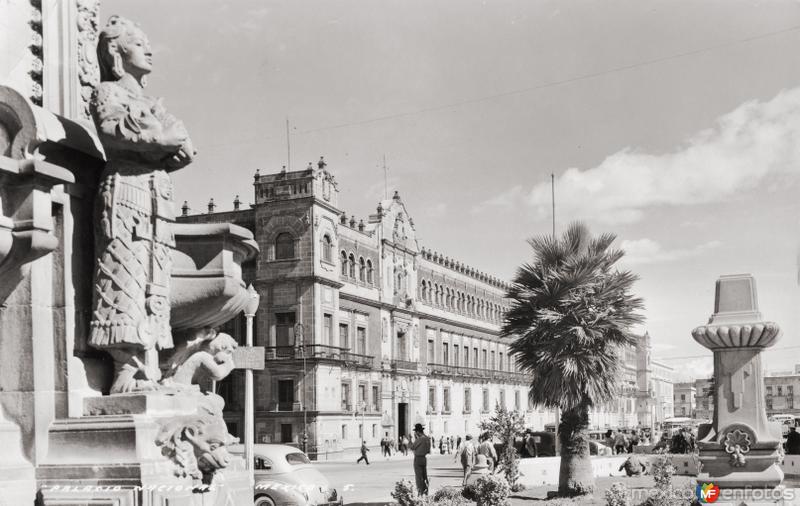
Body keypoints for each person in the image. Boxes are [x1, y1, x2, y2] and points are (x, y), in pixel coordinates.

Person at [89, 15, 195, 394]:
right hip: (127, 192)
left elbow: (184, 148)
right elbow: (116, 133)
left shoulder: (149, 101)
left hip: (156, 198)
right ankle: (125, 370)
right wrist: (159, 137)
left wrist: (158, 136)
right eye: (138, 42)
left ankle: (147, 365)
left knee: (155, 280)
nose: (148, 49)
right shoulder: (108, 92)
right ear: (117, 52)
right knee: (124, 276)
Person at [410, 424, 431, 494]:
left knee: (419, 477)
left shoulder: (420, 439)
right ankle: (426, 491)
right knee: (424, 476)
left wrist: (410, 439)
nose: (415, 433)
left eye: (416, 431)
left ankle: (420, 492)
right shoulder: (427, 438)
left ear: (418, 432)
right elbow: (428, 450)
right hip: (424, 458)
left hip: (418, 458)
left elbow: (412, 447)